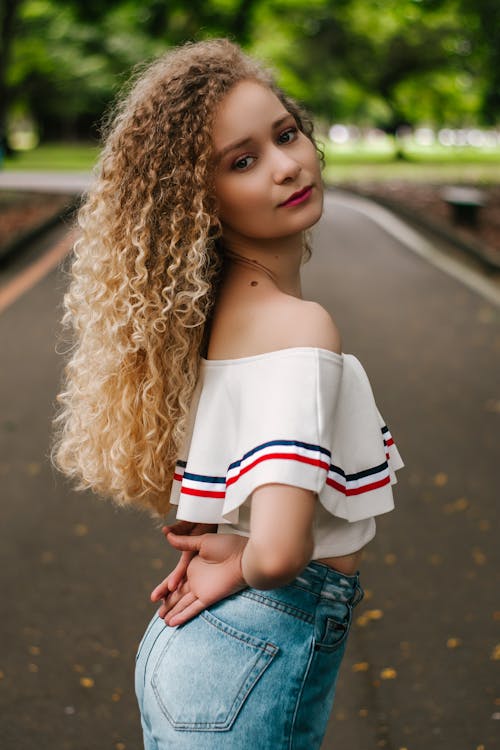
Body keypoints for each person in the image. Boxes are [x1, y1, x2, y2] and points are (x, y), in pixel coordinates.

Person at [51, 38, 404, 749]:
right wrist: (240, 567)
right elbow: (276, 555)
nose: (285, 166)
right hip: (251, 653)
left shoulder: (216, 320)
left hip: (204, 659)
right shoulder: (300, 328)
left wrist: (229, 559)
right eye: (242, 162)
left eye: (285, 134)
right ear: (198, 200)